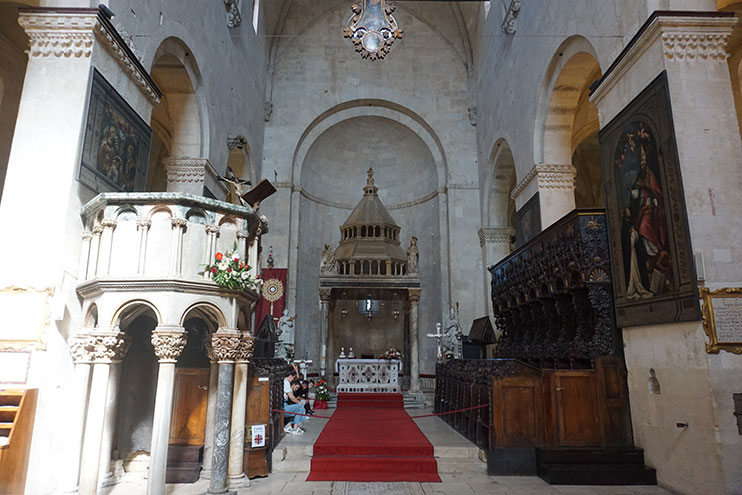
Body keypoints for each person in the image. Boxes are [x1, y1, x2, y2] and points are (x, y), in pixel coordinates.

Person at [283, 370, 308, 435]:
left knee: (298, 408)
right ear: (290, 376)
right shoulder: (286, 382)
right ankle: (295, 428)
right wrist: (299, 403)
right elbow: (291, 397)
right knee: (300, 407)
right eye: (294, 378)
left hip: (284, 404)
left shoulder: (285, 381)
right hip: (283, 406)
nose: (293, 380)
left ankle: (289, 425)